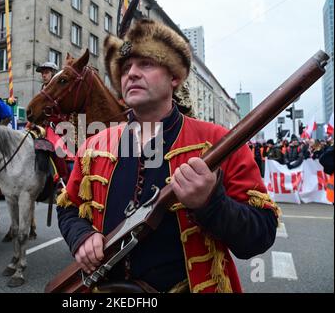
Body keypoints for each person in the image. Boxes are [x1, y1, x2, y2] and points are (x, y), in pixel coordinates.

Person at [55, 19, 279, 293]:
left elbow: (260, 235)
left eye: (146, 64)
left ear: (174, 77)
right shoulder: (94, 144)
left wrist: (212, 203)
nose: (132, 74)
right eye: (125, 68)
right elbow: (67, 207)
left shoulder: (217, 141)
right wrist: (81, 236)